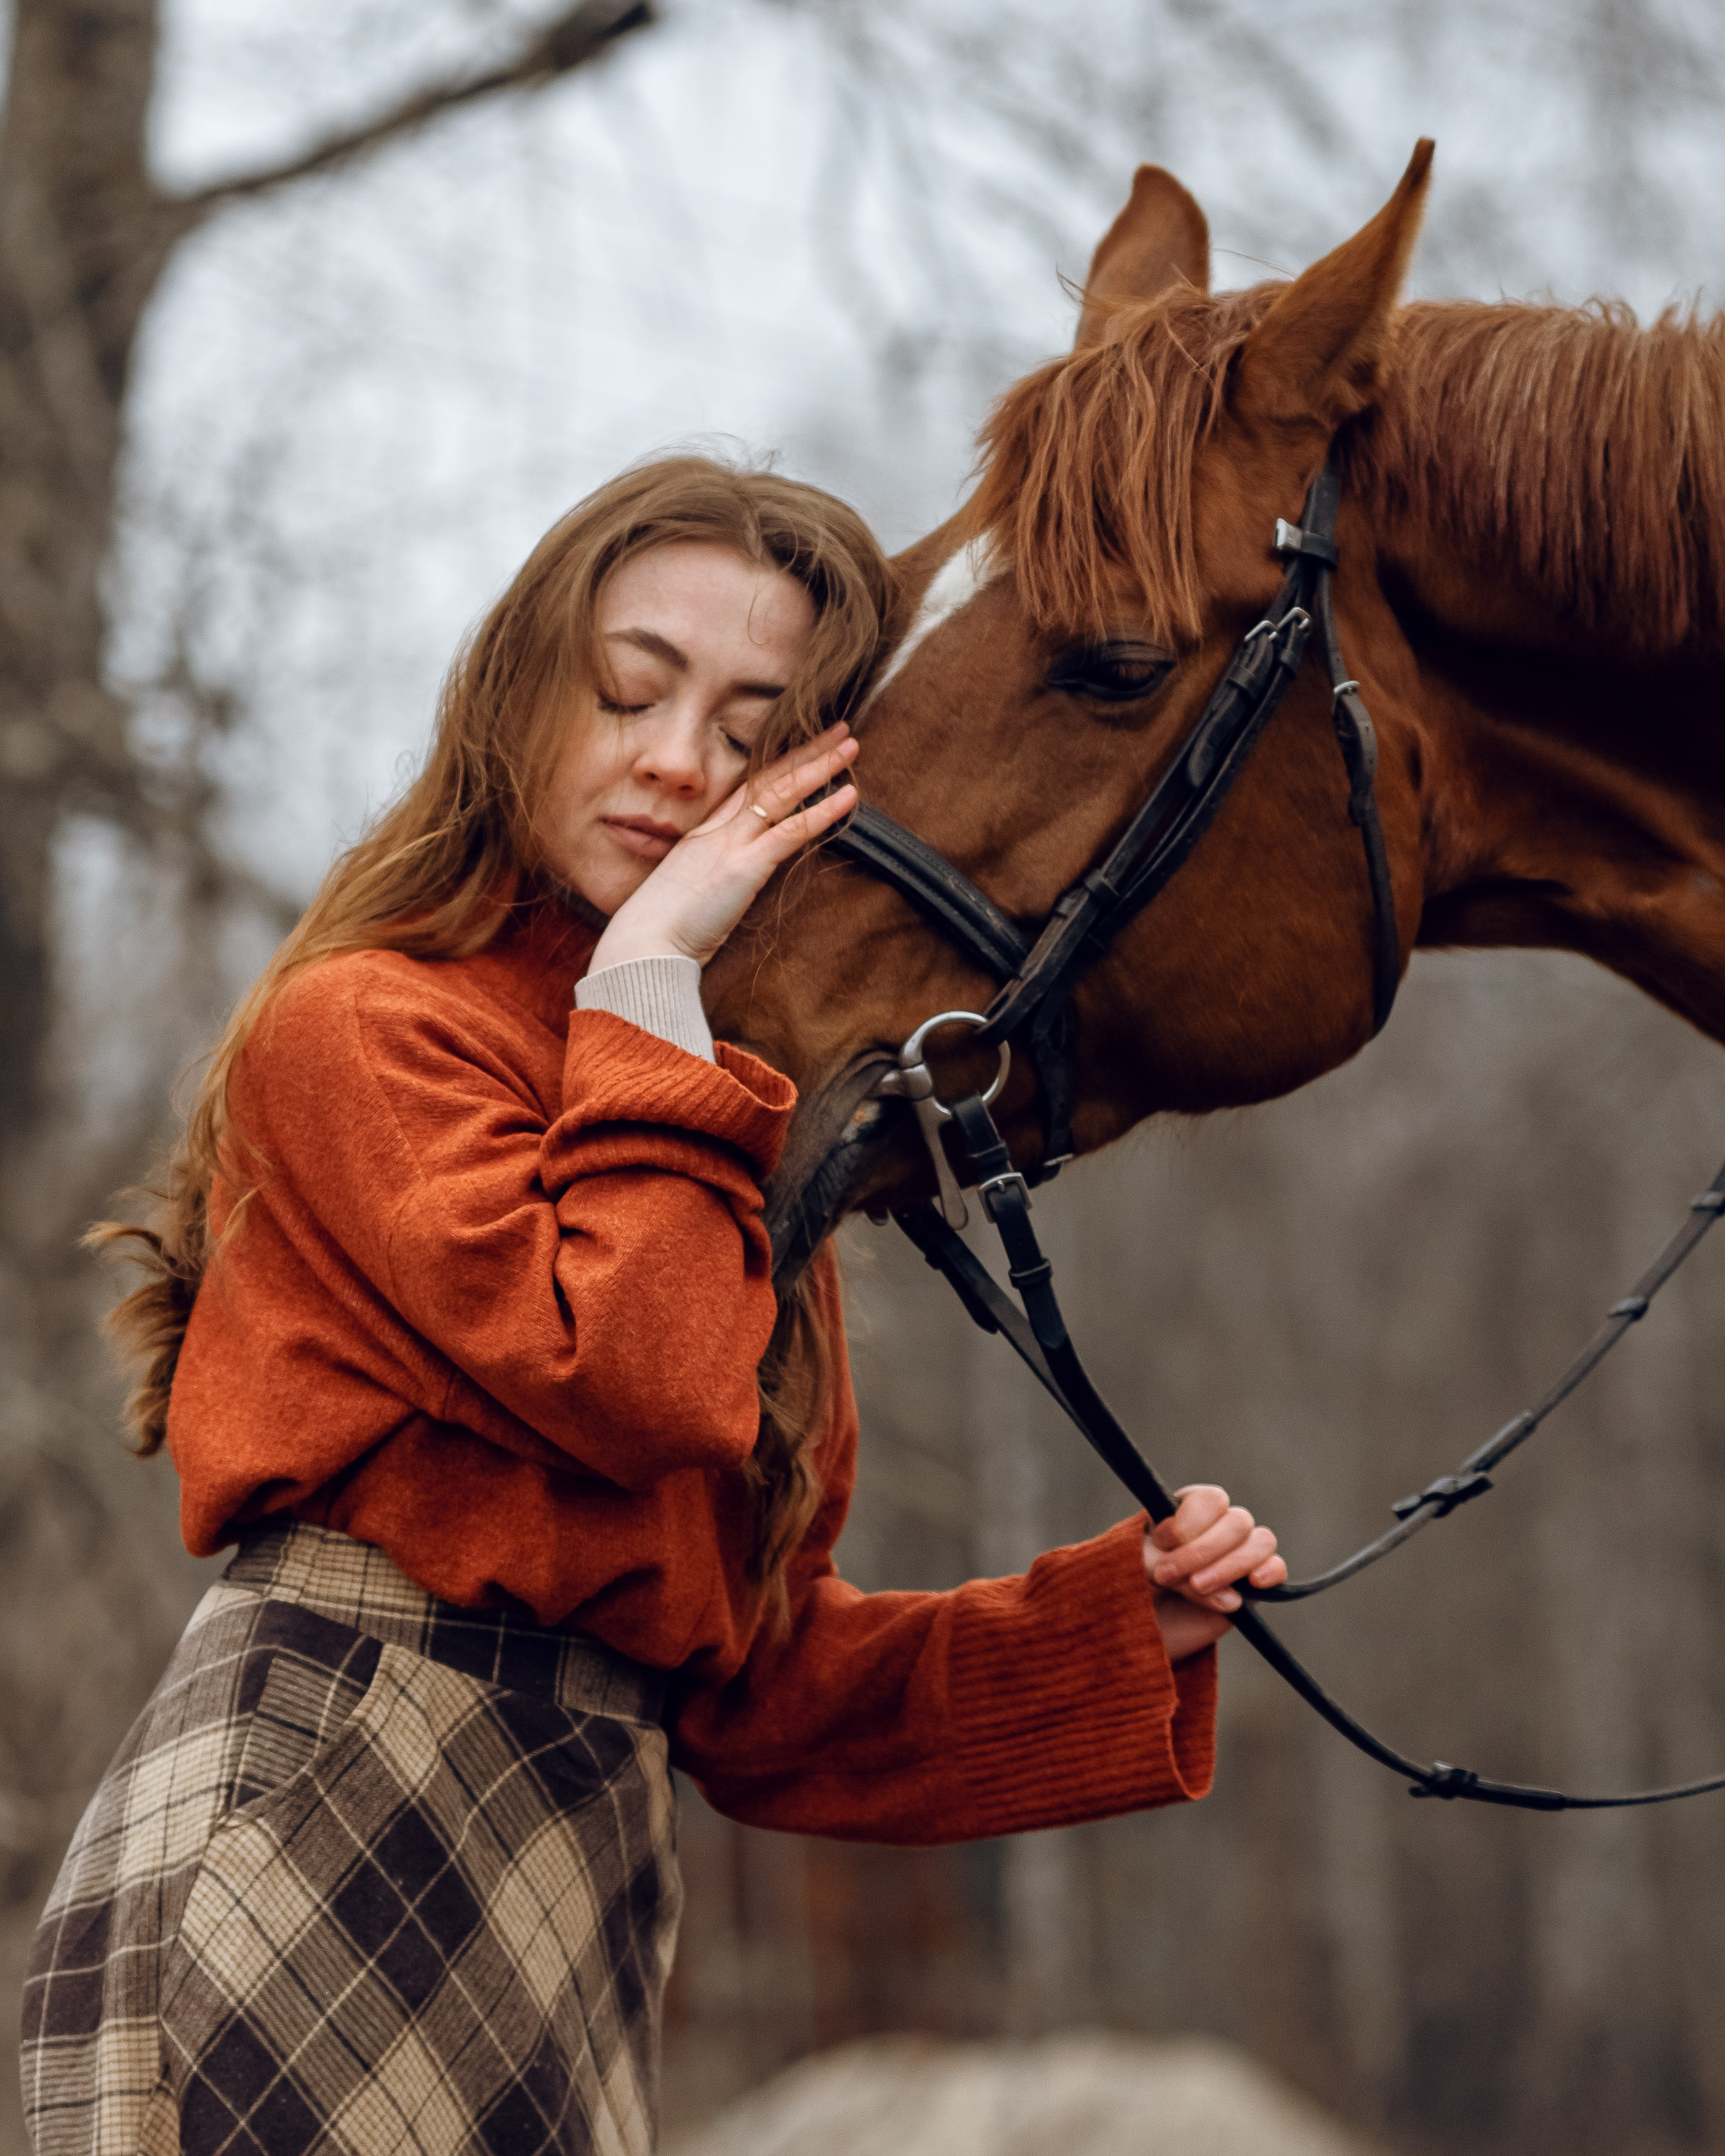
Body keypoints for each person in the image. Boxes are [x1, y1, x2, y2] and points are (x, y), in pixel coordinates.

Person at [20, 457, 1286, 2156]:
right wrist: (649, 993)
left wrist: (1112, 1632)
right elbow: (619, 1378)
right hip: (306, 1829)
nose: (679, 760)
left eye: (755, 732)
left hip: (574, 1889)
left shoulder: (698, 1138)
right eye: (629, 688)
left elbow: (755, 1691)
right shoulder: (371, 1028)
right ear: (517, 691)